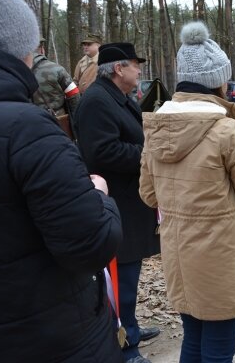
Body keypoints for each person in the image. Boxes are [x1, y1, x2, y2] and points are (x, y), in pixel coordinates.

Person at [0, 0, 123, 362]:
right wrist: (98, 196)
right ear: (15, 47)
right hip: (49, 339)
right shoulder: (25, 130)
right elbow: (90, 241)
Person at [139, 22, 235, 363]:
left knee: (193, 341)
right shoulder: (227, 131)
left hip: (179, 255)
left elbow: (149, 195)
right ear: (217, 82)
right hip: (220, 259)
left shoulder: (156, 126)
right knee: (218, 351)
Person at [75, 42, 161, 363]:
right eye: (136, 65)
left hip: (128, 199)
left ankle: (131, 326)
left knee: (129, 273)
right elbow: (102, 153)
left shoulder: (118, 98)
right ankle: (125, 344)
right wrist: (148, 156)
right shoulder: (98, 102)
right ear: (119, 69)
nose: (140, 71)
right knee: (120, 276)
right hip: (116, 202)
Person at [32, 38, 81, 134]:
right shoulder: (57, 69)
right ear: (42, 49)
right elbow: (74, 95)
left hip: (28, 124)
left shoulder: (16, 71)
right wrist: (77, 122)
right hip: (57, 123)